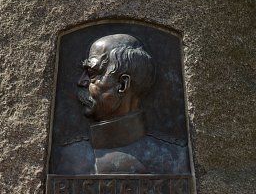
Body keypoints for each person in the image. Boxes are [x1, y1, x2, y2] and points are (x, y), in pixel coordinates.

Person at [55, 34, 188, 175]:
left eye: (91, 73)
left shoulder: (175, 158)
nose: (81, 81)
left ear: (123, 84)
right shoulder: (69, 158)